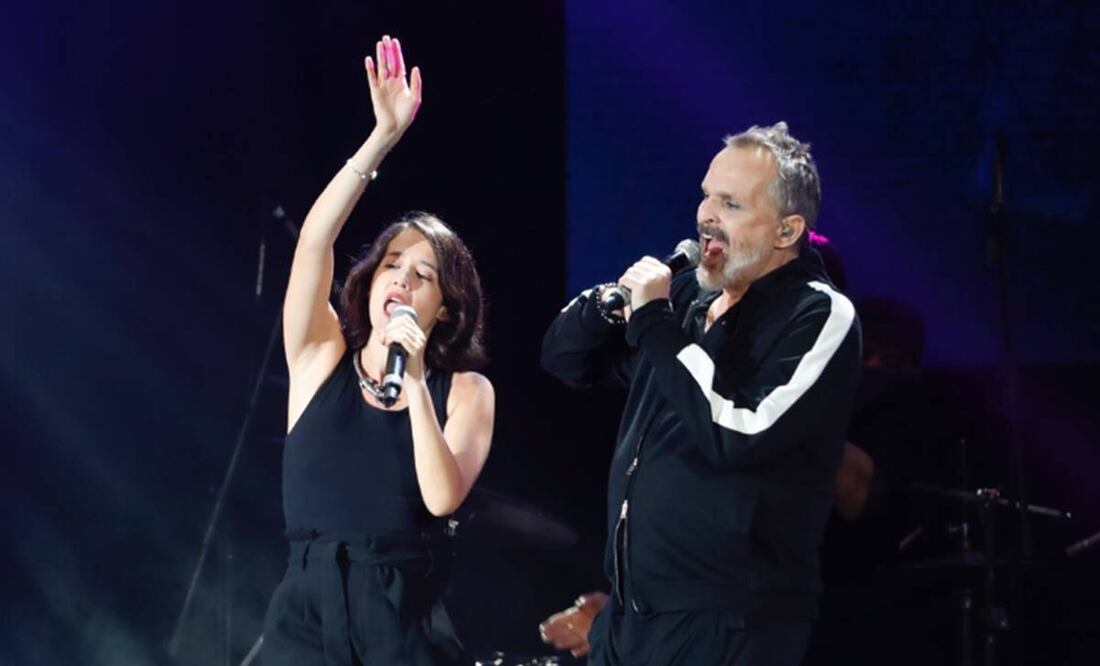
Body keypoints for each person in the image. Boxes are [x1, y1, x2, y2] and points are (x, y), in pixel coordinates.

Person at [540, 122, 862, 665]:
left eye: (731, 203)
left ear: (787, 231)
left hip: (733, 623)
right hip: (631, 618)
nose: (706, 214)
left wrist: (656, 324)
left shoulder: (817, 312)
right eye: (706, 195)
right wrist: (609, 304)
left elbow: (737, 433)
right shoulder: (686, 296)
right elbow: (565, 359)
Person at [262, 36, 495, 666]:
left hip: (402, 620)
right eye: (394, 263)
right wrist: (381, 139)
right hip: (304, 616)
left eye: (424, 275)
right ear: (370, 280)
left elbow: (443, 498)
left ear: (444, 306)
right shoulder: (319, 358)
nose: (402, 279)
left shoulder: (466, 391)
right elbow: (314, 242)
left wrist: (415, 379)